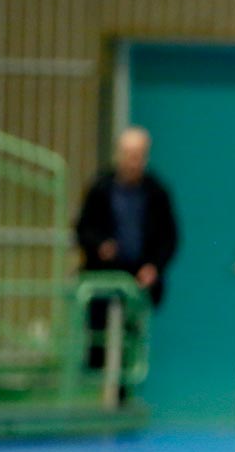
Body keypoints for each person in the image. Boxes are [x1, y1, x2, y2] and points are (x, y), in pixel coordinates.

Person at [75, 126, 179, 372]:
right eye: (128, 154)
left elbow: (169, 236)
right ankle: (99, 382)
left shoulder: (156, 192)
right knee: (100, 336)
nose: (133, 161)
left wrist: (154, 266)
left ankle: (124, 388)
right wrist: (100, 245)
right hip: (104, 275)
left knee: (131, 339)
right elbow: (83, 228)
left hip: (139, 277)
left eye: (138, 155)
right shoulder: (101, 188)